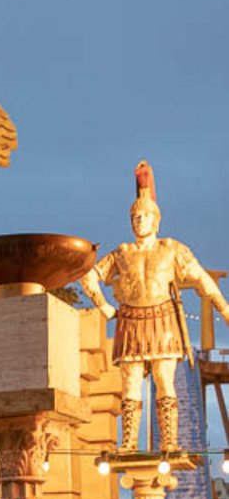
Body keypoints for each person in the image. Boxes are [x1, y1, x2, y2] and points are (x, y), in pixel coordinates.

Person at [80, 163, 229, 452]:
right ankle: (129, 443)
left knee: (164, 379)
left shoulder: (172, 249)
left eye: (144, 215)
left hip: (163, 318)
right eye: (134, 217)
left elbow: (202, 280)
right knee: (130, 382)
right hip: (130, 319)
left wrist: (224, 309)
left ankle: (169, 442)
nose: (139, 220)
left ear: (156, 220)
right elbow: (88, 277)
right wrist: (104, 306)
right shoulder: (122, 253)